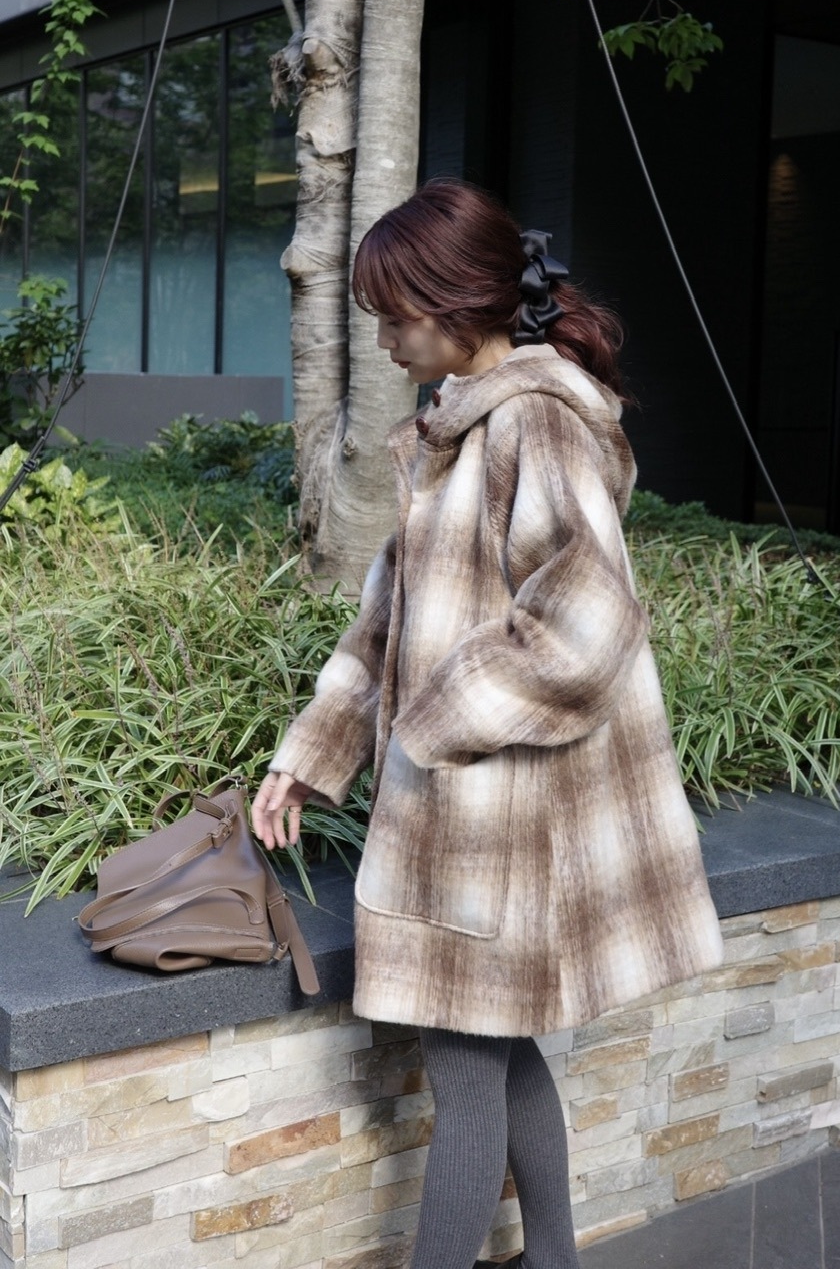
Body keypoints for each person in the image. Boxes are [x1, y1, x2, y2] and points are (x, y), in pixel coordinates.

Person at [252, 179, 724, 1269]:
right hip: (471, 814)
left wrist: (434, 719)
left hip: (500, 822)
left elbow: (589, 620)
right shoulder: (456, 432)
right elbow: (385, 624)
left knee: (466, 1073)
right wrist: (312, 757)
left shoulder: (531, 420)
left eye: (395, 315)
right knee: (497, 1058)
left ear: (459, 302)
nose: (383, 339)